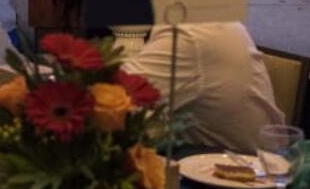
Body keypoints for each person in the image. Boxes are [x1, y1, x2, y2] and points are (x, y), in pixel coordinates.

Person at [121, 21, 285, 155]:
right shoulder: (209, 17)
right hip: (218, 163)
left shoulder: (189, 34)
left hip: (246, 179)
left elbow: (114, 98)